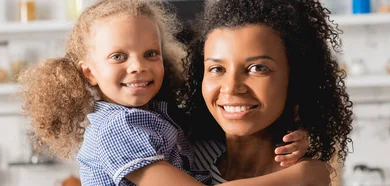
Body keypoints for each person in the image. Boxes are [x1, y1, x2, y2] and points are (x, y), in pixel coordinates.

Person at [19, 0, 323, 185]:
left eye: (150, 53)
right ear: (89, 72)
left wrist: (303, 133)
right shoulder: (117, 129)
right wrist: (305, 175)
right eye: (119, 56)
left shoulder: (158, 117)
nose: (138, 66)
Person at [182, 0, 354, 184]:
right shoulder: (184, 155)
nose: (231, 87)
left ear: (296, 79)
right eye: (216, 69)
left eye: (257, 68)